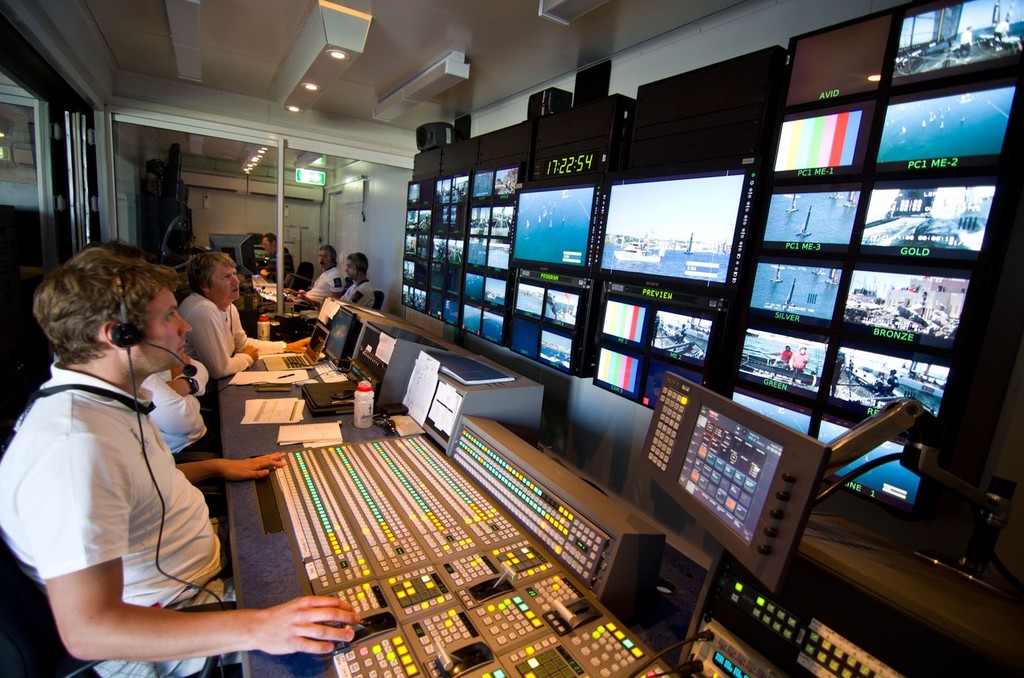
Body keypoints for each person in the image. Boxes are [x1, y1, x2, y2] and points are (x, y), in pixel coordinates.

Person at [0, 248, 358, 677]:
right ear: (121, 335)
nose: (185, 324)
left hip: (197, 568)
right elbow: (89, 629)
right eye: (169, 316)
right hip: (175, 616)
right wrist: (259, 627)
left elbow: (133, 487)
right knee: (350, 620)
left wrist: (214, 467)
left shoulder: (103, 404)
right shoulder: (74, 447)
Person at [179, 252, 306, 379]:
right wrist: (247, 358)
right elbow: (219, 370)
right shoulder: (203, 310)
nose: (236, 281)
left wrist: (286, 346)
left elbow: (243, 345)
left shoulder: (229, 307)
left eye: (234, 274)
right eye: (226, 277)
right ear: (204, 286)